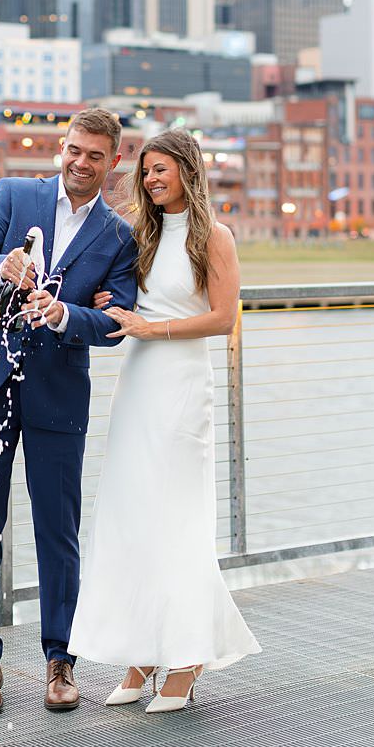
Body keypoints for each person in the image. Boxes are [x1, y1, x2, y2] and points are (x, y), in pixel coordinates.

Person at [0, 107, 137, 717]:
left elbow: (117, 321)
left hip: (57, 393)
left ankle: (60, 659)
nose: (80, 163)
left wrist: (71, 316)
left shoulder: (118, 236)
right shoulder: (13, 194)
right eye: (74, 150)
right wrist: (1, 268)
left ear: (113, 162)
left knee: (59, 531)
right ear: (63, 147)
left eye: (94, 155)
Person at [67, 128, 261, 712]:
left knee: (177, 519)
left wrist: (155, 327)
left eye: (161, 170)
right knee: (134, 515)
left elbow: (223, 318)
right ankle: (144, 652)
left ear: (188, 171)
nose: (151, 180)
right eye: (145, 171)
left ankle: (187, 657)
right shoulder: (140, 237)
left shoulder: (215, 237)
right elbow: (130, 300)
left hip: (180, 383)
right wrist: (116, 308)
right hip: (139, 384)